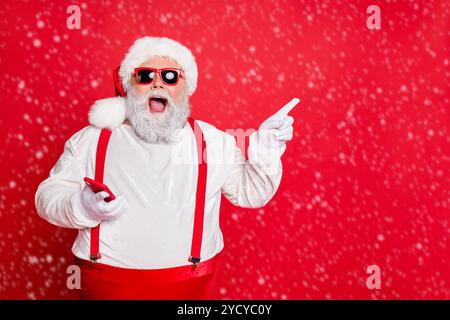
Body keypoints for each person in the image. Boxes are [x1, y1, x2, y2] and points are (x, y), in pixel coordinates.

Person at [34, 36, 296, 299]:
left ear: (186, 88)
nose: (157, 82)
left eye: (170, 76)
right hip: (105, 284)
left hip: (190, 285)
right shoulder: (92, 139)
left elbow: (252, 193)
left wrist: (267, 147)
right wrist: (81, 206)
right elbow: (48, 196)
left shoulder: (211, 141)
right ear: (128, 86)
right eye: (145, 75)